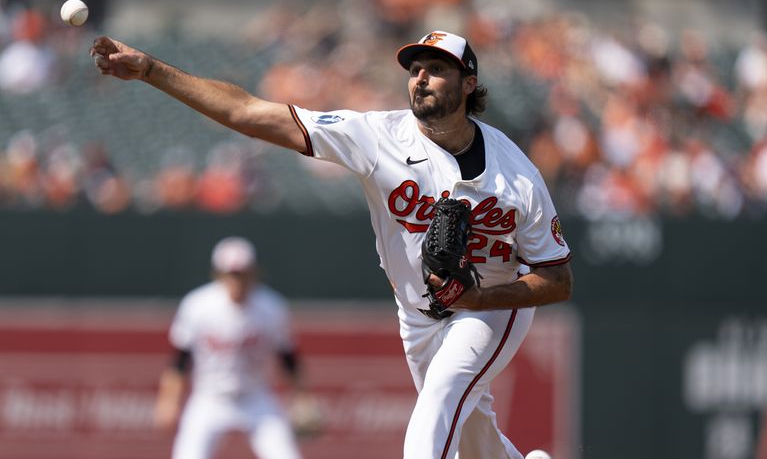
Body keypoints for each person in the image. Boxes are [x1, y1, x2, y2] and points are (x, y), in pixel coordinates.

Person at [93, 29, 574, 459]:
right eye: (415, 69)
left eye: (438, 69)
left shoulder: (517, 176)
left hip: (491, 308)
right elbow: (247, 112)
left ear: (469, 83)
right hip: (419, 313)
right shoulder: (377, 136)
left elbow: (557, 279)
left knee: (442, 396)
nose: (421, 78)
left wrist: (482, 298)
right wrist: (152, 70)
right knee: (471, 433)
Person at [154, 236, 305, 459]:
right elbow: (180, 360)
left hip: (256, 397)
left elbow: (288, 358)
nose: (237, 281)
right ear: (218, 275)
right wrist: (168, 400)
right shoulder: (198, 306)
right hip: (209, 398)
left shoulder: (271, 307)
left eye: (242, 274)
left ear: (254, 273)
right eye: (231, 274)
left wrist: (302, 398)